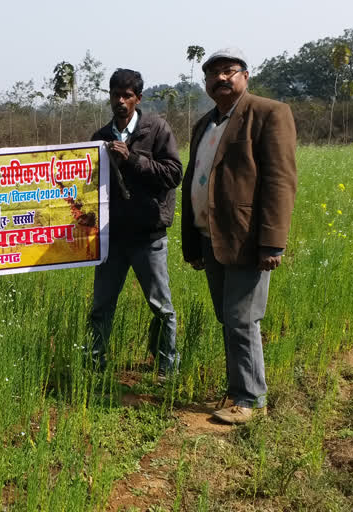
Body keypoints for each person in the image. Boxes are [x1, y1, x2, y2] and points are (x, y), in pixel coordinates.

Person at [181, 48, 297, 424]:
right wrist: (192, 242)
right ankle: (238, 387)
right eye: (213, 73)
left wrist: (272, 242)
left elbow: (280, 181)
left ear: (245, 76)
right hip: (210, 236)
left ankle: (249, 399)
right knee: (227, 317)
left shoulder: (268, 114)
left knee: (242, 317)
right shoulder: (205, 123)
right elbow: (195, 181)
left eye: (229, 71)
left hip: (247, 238)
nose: (221, 78)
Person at [90, 69, 183, 376]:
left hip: (148, 235)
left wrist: (131, 159)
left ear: (138, 99)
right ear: (110, 96)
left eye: (127, 95)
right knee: (101, 307)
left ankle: (166, 369)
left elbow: (173, 174)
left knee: (161, 307)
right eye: (116, 94)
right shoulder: (99, 138)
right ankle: (95, 367)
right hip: (111, 237)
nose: (121, 100)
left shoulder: (156, 130)